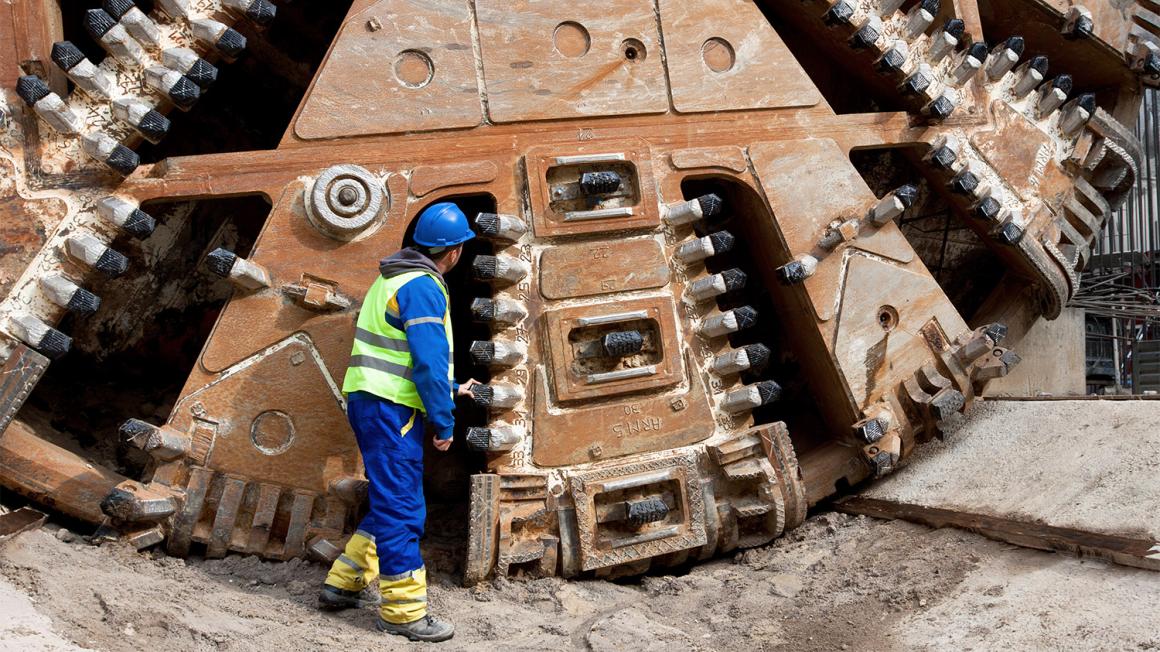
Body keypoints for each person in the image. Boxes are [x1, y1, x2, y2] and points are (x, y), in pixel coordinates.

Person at [317, 202, 479, 643]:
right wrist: (444, 422)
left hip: (373, 401)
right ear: (455, 251)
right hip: (391, 410)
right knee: (404, 508)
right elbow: (427, 363)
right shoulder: (425, 287)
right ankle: (404, 613)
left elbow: (400, 355)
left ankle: (343, 583)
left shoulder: (391, 277)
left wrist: (450, 388)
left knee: (391, 498)